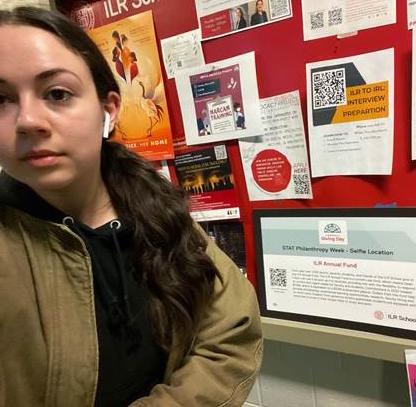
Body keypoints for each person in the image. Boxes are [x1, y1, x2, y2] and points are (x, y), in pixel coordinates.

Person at [0, 6, 262, 407]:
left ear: (108, 110)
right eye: (1, 100)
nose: (28, 120)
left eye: (57, 94)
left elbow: (229, 330)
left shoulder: (154, 208)